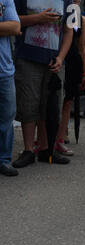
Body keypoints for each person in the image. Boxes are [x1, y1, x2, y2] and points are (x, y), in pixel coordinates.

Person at [12, 0, 74, 169]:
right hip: (27, 58)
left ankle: (47, 149)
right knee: (28, 103)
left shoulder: (70, 2)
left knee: (51, 105)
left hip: (54, 60)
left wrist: (61, 57)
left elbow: (69, 31)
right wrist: (38, 18)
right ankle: (29, 150)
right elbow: (13, 21)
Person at [55, 0, 85, 156]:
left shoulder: (78, 15)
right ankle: (42, 140)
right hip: (54, 55)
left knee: (67, 101)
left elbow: (82, 46)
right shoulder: (60, 6)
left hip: (71, 61)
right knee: (49, 100)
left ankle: (60, 139)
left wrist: (84, 71)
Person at [0, 0, 20, 176]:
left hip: (4, 70)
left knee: (7, 117)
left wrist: (7, 26)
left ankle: (4, 160)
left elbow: (14, 27)